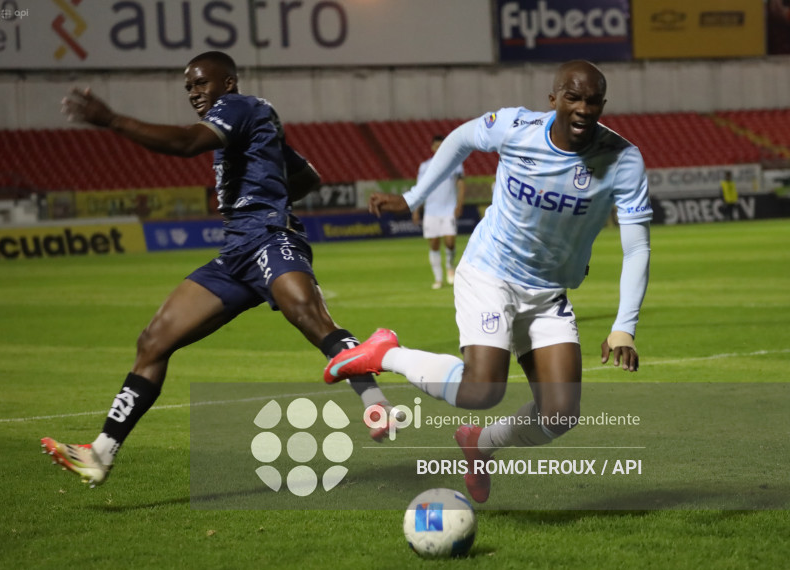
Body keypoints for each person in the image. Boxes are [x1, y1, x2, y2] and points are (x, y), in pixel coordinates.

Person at [41, 51, 397, 488]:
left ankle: (376, 403)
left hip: (269, 237)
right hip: (235, 254)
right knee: (153, 341)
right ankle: (101, 451)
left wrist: (112, 119)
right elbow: (308, 177)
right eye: (188, 87)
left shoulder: (236, 107)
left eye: (200, 84)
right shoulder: (255, 120)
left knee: (310, 317)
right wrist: (269, 178)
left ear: (227, 83)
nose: (194, 93)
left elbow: (185, 144)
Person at [324, 60, 652, 503]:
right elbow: (460, 139)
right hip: (490, 271)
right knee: (482, 389)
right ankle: (386, 352)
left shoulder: (623, 159)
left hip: (547, 291)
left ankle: (479, 445)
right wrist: (411, 197)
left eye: (593, 100)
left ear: (603, 105)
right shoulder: (516, 127)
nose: (583, 109)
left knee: (560, 414)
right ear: (553, 98)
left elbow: (637, 248)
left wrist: (623, 327)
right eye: (572, 97)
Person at [411, 134, 466, 289]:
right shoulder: (424, 167)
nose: (439, 149)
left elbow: (461, 185)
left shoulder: (456, 164)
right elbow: (419, 189)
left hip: (448, 208)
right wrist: (416, 209)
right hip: (431, 210)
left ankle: (450, 266)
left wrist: (459, 204)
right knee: (434, 244)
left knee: (450, 241)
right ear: (432, 148)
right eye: (436, 146)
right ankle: (438, 278)